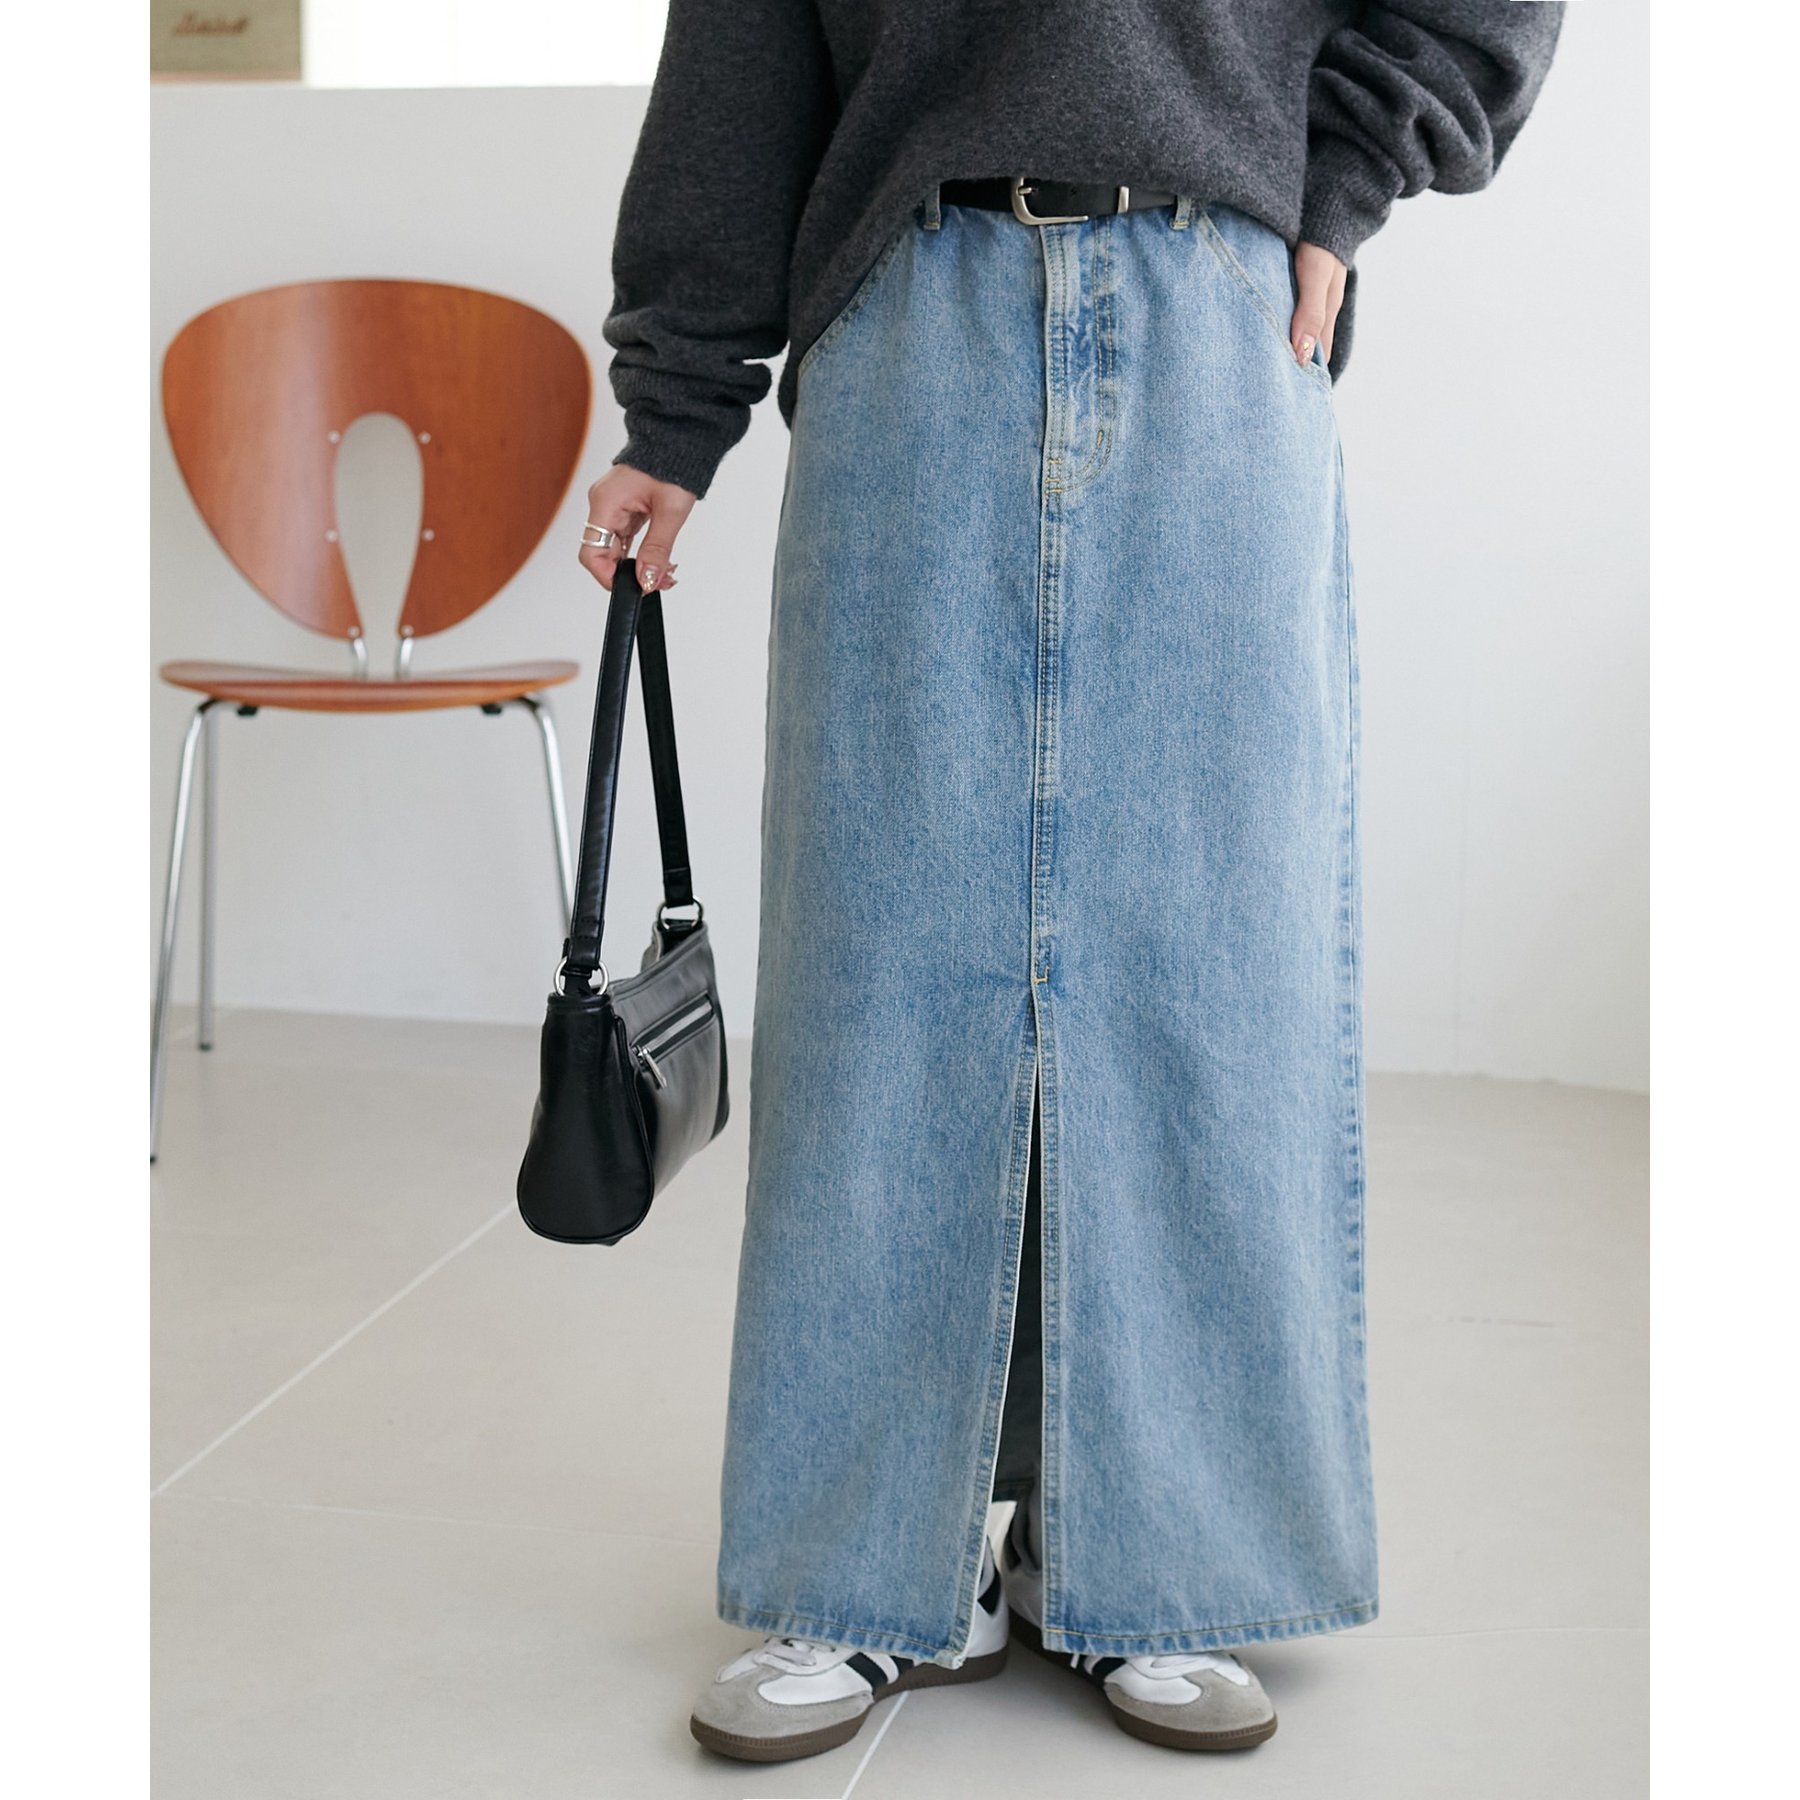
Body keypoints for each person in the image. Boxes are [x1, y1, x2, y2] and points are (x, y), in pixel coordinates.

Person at [578, 0, 1563, 1765]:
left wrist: (1345, 182)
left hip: (1221, 300)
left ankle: (1153, 1564)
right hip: (909, 306)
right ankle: (868, 1570)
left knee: (1204, 969)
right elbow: (742, 48)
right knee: (885, 965)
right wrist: (677, 401)